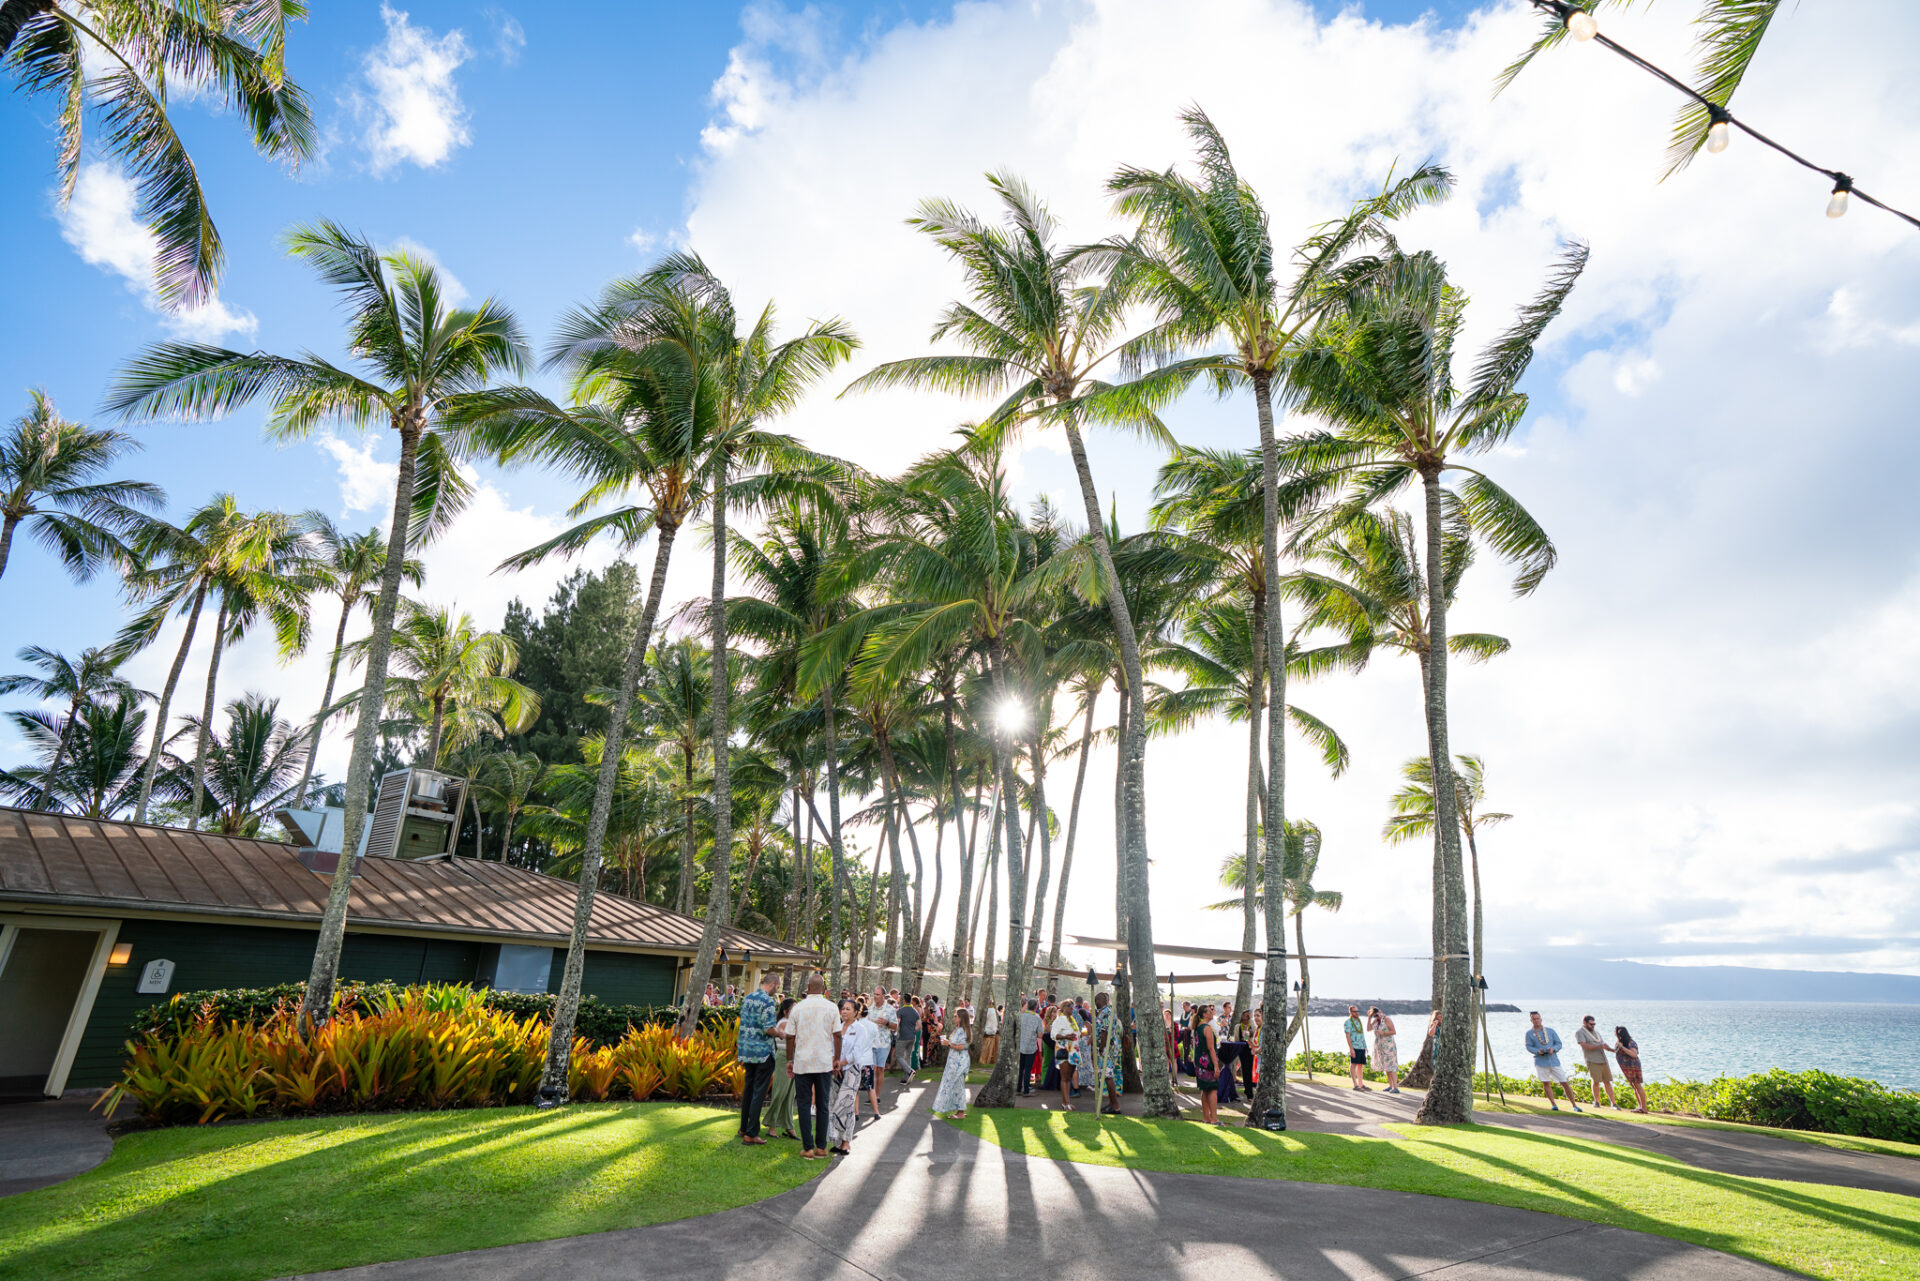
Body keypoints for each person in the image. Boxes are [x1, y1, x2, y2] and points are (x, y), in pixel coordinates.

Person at [786, 974, 842, 1161]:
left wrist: (789, 1060)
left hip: (803, 1061)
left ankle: (808, 1148)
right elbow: (838, 1035)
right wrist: (837, 1058)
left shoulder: (798, 1008)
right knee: (822, 1105)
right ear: (824, 987)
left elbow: (789, 1037)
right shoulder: (832, 1007)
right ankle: (822, 1147)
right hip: (824, 1061)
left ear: (808, 987)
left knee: (803, 1104)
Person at [736, 973, 780, 1144]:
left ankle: (743, 1128)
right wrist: (781, 1033)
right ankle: (752, 1133)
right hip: (763, 1053)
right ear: (774, 984)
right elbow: (768, 1028)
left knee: (748, 1090)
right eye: (778, 985)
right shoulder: (768, 1001)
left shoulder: (747, 998)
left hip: (747, 1051)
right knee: (758, 1092)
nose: (778, 989)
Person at [827, 1000, 866, 1155]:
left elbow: (857, 1053)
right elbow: (830, 1047)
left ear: (856, 1012)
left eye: (848, 1009)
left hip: (851, 1070)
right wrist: (834, 1062)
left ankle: (846, 1142)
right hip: (835, 1069)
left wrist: (842, 1063)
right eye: (842, 1009)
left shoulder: (860, 1029)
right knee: (832, 1102)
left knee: (846, 1105)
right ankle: (837, 1140)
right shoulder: (836, 1027)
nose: (844, 1012)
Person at [1525, 1011, 1582, 1112]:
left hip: (1554, 1061)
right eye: (1534, 1019)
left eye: (1537, 1018)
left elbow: (1559, 1043)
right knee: (1546, 1083)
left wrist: (1553, 1049)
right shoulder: (1529, 1034)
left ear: (1541, 1019)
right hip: (1540, 1062)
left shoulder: (1550, 1031)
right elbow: (1528, 1046)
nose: (1536, 1020)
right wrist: (1537, 1051)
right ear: (1531, 1020)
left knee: (1564, 1082)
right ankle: (1554, 1104)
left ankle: (1574, 1105)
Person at [931, 1007, 974, 1118]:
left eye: (956, 1016)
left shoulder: (964, 1031)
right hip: (953, 1061)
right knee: (953, 1085)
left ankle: (960, 1112)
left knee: (958, 1085)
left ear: (961, 1018)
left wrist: (948, 1044)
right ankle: (955, 1109)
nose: (954, 1018)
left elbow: (961, 1047)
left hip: (959, 1061)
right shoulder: (958, 1030)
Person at [765, 997, 798, 1139]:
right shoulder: (784, 1023)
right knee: (780, 1092)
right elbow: (794, 1041)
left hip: (795, 1058)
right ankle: (771, 1126)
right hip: (784, 1058)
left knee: (790, 1094)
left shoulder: (793, 1022)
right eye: (793, 1009)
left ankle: (788, 1125)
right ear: (786, 1011)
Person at [1092, 991, 1124, 1115]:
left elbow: (1105, 1031)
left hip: (1106, 1048)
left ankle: (1115, 1106)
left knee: (1107, 1075)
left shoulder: (1106, 1012)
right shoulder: (1107, 1011)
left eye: (1096, 1002)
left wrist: (1100, 1047)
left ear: (1100, 1001)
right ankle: (1111, 1103)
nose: (1095, 1004)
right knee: (1106, 1076)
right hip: (1109, 1046)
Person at [1575, 1015, 1616, 1108]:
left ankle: (1613, 1103)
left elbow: (1603, 1044)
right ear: (1584, 1023)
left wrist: (1612, 1050)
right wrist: (1598, 1047)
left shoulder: (1596, 1033)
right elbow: (1584, 1045)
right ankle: (1596, 1102)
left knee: (1607, 1081)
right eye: (1591, 1024)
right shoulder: (1580, 1032)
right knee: (1596, 1081)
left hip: (1603, 1059)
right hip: (1592, 1060)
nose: (1593, 1026)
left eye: (1594, 1024)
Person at [1193, 1002, 1221, 1124]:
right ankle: (1214, 1118)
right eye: (1209, 1011)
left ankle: (1206, 1117)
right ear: (1204, 1014)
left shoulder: (1197, 1027)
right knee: (1213, 1089)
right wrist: (1216, 1066)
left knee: (1204, 1089)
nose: (1212, 1013)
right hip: (1207, 1062)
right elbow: (1211, 1049)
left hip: (1199, 1062)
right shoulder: (1206, 1028)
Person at [1614, 1025, 1649, 1113]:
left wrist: (1622, 1047)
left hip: (1633, 1066)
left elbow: (1634, 1054)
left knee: (1637, 1086)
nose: (1614, 1033)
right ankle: (1640, 1107)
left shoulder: (1631, 1042)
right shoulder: (1619, 1042)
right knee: (1634, 1086)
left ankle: (1644, 1108)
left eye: (1615, 1032)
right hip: (1626, 1067)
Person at [1368, 1006, 1401, 1094]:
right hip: (1379, 1045)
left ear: (1380, 1012)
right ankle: (1390, 1085)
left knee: (1391, 1066)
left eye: (1377, 1014)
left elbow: (1393, 1031)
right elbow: (1368, 1029)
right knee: (1386, 1066)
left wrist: (1383, 1033)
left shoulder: (1387, 1019)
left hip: (1388, 1045)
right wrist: (1369, 1018)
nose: (1376, 1016)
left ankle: (1395, 1087)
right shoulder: (1375, 1021)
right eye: (1374, 1015)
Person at [1016, 999, 1043, 1094]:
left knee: (1020, 1068)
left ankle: (1018, 1088)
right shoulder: (1037, 1018)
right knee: (1028, 1069)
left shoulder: (1021, 1016)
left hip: (1020, 1045)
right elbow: (1040, 1035)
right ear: (1036, 1007)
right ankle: (1026, 1089)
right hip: (1031, 1046)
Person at [1343, 1005, 1372, 1091]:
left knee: (1360, 1065)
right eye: (1355, 1011)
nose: (1357, 1013)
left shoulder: (1359, 1021)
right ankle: (1355, 1085)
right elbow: (1347, 1036)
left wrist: (1365, 1046)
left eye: (1357, 1011)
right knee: (1353, 1064)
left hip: (1361, 1046)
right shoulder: (1348, 1022)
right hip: (1354, 1046)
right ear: (1351, 1012)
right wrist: (1351, 1049)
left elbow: (1362, 1034)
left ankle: (1361, 1084)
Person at [895, 995, 921, 1082]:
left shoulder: (900, 1011)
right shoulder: (915, 1011)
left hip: (902, 1036)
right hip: (912, 1037)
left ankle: (909, 1071)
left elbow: (897, 1023)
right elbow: (919, 1026)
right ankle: (907, 1078)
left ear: (904, 1001)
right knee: (908, 1057)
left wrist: (895, 1032)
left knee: (898, 1055)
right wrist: (913, 1031)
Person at [979, 1000, 1001, 1065]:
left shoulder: (987, 1011)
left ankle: (984, 1061)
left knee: (986, 1049)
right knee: (992, 1050)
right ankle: (990, 1060)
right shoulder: (997, 1012)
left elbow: (982, 1021)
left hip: (987, 1032)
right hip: (994, 1032)